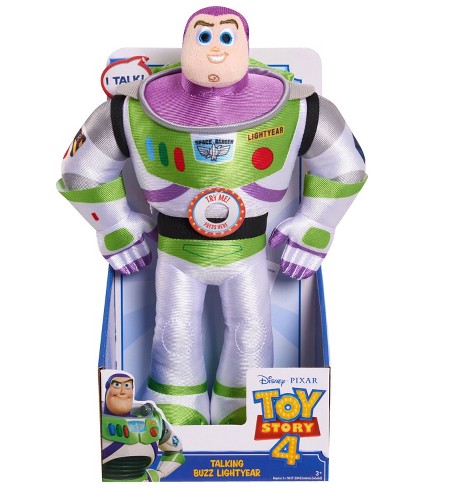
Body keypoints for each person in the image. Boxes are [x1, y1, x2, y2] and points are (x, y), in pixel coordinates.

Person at [58, 6, 366, 425]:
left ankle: (246, 402)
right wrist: (113, 224)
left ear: (245, 43)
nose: (215, 49)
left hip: (246, 252)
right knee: (175, 330)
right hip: (177, 253)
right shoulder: (129, 110)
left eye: (226, 36)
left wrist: (316, 224)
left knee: (250, 331)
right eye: (204, 36)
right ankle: (180, 404)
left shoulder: (300, 108)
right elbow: (80, 170)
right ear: (188, 42)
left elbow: (347, 166)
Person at [101, 372, 184, 481]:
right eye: (116, 385)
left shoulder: (153, 421)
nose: (122, 391)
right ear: (108, 389)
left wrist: (159, 473)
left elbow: (176, 451)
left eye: (127, 386)